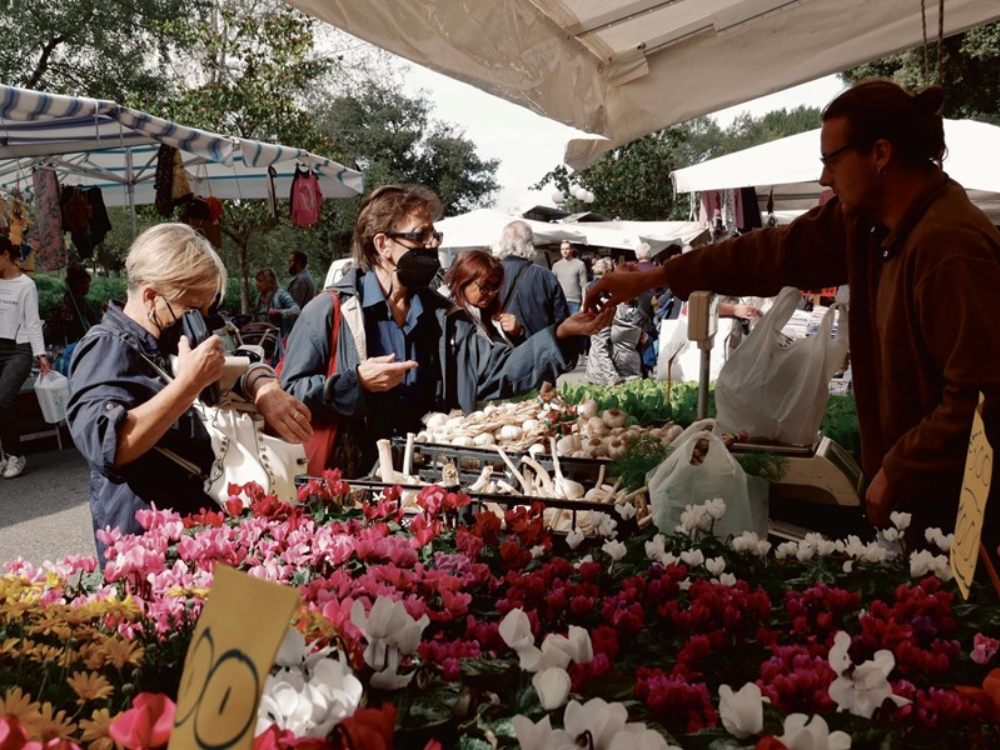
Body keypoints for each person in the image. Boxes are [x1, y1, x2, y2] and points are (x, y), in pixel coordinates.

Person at [585, 80, 1000, 550]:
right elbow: (768, 254)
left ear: (880, 153)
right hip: (918, 508)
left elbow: (981, 393)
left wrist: (899, 467)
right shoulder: (866, 225)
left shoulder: (951, 247)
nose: (825, 179)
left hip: (968, 522)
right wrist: (652, 278)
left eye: (831, 161)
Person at [280, 185, 613, 476]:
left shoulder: (443, 317)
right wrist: (357, 382)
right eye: (420, 235)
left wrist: (562, 334)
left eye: (433, 235)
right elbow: (290, 393)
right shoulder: (330, 311)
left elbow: (499, 370)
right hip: (352, 478)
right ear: (382, 245)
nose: (431, 244)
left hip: (427, 476)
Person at [67, 224, 312, 561]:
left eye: (208, 310)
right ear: (152, 297)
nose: (202, 322)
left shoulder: (161, 341)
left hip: (199, 541)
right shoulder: (105, 349)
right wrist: (187, 385)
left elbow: (236, 366)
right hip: (150, 554)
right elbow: (108, 445)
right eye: (192, 310)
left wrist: (263, 386)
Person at [0, 234, 51, 479]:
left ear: (5, 255)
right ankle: (5, 455)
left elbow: (32, 322)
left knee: (2, 398)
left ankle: (15, 455)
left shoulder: (25, 285)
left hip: (18, 349)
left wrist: (40, 354)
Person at [493, 221, 570, 336]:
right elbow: (562, 322)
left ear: (502, 242)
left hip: (501, 349)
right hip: (539, 348)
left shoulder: (490, 273)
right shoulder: (545, 276)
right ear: (530, 243)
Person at [585, 259, 645, 385]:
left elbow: (644, 332)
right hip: (604, 378)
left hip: (630, 374)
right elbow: (599, 346)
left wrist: (646, 337)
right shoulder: (606, 307)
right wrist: (613, 379)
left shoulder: (636, 307)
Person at [445, 250, 523, 345]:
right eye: (485, 286)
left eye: (495, 287)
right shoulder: (456, 322)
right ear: (464, 282)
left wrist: (517, 333)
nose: (491, 293)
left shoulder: (491, 318)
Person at [47, 264, 101, 347]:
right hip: (78, 343)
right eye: (86, 283)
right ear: (78, 284)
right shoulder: (78, 301)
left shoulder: (67, 298)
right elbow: (93, 321)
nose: (88, 286)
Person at [254, 268, 301, 337]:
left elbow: (296, 310)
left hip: (282, 339)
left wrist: (279, 312)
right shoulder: (259, 299)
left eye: (260, 281)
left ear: (269, 281)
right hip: (264, 339)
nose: (257, 284)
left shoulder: (280, 294)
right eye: (257, 281)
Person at [551, 241, 588, 315]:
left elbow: (584, 285)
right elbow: (552, 285)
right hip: (560, 301)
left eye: (567, 249)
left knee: (573, 325)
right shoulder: (556, 266)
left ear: (571, 250)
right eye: (562, 249)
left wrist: (584, 304)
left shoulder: (580, 264)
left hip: (575, 301)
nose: (565, 251)